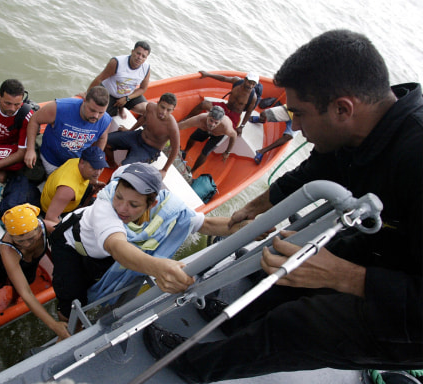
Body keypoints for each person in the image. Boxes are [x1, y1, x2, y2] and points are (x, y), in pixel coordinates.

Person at [143, 29, 423, 383]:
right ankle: (235, 320)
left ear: (342, 108)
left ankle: (195, 365)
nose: (298, 128)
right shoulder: (365, 127)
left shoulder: (416, 158)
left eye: (301, 115)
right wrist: (255, 207)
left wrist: (343, 276)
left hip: (412, 311)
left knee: (299, 325)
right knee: (288, 269)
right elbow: (316, 169)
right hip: (389, 248)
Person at [49, 162, 247, 320]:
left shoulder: (167, 208)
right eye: (119, 197)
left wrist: (241, 226)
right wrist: (159, 268)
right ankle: (66, 327)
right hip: (71, 247)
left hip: (101, 254)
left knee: (91, 285)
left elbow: (206, 224)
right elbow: (117, 246)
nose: (121, 208)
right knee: (73, 299)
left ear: (152, 204)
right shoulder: (104, 206)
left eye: (133, 204)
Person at [0, 204, 70, 341]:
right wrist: (54, 325)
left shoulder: (46, 228)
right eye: (19, 241)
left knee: (27, 280)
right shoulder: (7, 249)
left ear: (38, 230)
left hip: (29, 265)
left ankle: (13, 299)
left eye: (30, 239)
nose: (26, 245)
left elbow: (71, 237)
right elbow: (26, 292)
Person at [24, 86, 112, 176]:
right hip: (51, 161)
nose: (96, 116)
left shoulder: (105, 120)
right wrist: (30, 149)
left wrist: (94, 161)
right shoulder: (59, 108)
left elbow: (102, 137)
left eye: (101, 112)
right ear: (84, 101)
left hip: (76, 164)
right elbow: (34, 120)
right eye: (92, 110)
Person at [105, 93, 180, 177]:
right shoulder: (150, 107)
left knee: (122, 169)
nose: (164, 112)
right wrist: (130, 130)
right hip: (138, 136)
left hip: (149, 150)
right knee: (105, 141)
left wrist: (164, 170)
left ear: (173, 110)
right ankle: (111, 163)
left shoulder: (172, 127)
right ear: (158, 103)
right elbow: (143, 118)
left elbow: (175, 149)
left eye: (168, 110)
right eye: (162, 107)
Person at [40, 146, 108, 230]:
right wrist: (67, 235)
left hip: (64, 199)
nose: (98, 173)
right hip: (58, 210)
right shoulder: (67, 190)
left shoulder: (75, 162)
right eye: (94, 168)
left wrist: (95, 182)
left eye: (101, 168)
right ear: (82, 163)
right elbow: (50, 218)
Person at [182, 70, 261, 135]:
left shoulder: (253, 97)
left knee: (223, 128)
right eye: (249, 82)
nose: (250, 86)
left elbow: (249, 112)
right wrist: (208, 74)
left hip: (234, 115)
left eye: (253, 84)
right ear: (245, 79)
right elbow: (223, 78)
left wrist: (241, 126)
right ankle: (186, 119)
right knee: (204, 104)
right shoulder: (237, 81)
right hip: (225, 107)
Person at [87, 41, 151, 119]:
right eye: (138, 53)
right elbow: (100, 78)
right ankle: (117, 108)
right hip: (109, 94)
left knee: (148, 110)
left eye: (143, 56)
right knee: (99, 115)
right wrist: (87, 94)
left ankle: (122, 107)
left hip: (128, 96)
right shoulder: (117, 62)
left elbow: (143, 89)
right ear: (132, 51)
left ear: (146, 58)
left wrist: (127, 98)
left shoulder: (146, 68)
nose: (139, 57)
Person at [178, 105, 237, 173]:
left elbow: (234, 136)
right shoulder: (200, 119)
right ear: (207, 116)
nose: (212, 124)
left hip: (217, 135)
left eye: (216, 123)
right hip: (204, 128)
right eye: (211, 120)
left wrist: (227, 152)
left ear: (220, 122)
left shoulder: (226, 127)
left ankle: (192, 171)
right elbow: (180, 126)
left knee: (205, 152)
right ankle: (185, 151)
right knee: (193, 137)